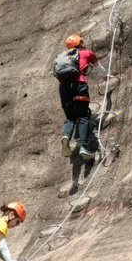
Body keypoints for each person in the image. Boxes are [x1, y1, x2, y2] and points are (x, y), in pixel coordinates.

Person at [53, 33, 100, 163]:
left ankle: (66, 137)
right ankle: (83, 147)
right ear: (80, 44)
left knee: (70, 118)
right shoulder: (86, 53)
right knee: (83, 116)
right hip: (79, 85)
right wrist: (107, 77)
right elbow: (99, 69)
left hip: (63, 88)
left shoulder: (63, 58)